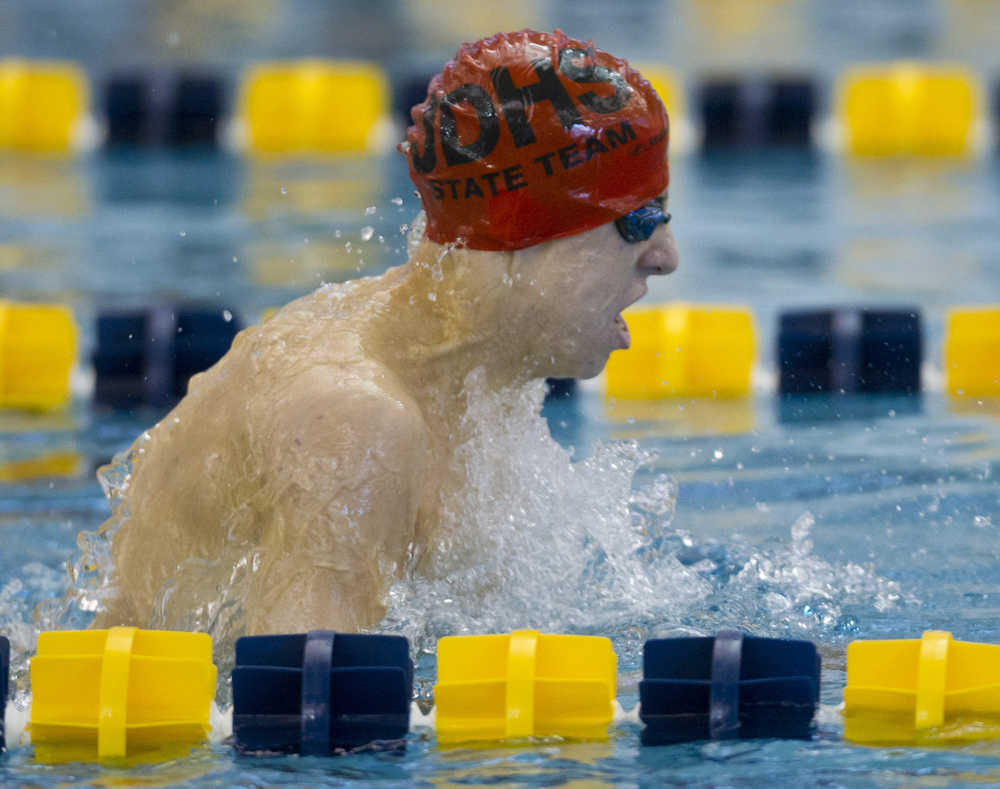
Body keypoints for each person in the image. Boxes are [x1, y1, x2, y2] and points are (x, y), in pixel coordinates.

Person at [94, 29, 679, 640]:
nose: (665, 257)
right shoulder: (356, 422)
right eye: (639, 221)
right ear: (522, 236)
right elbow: (303, 715)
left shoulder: (464, 365)